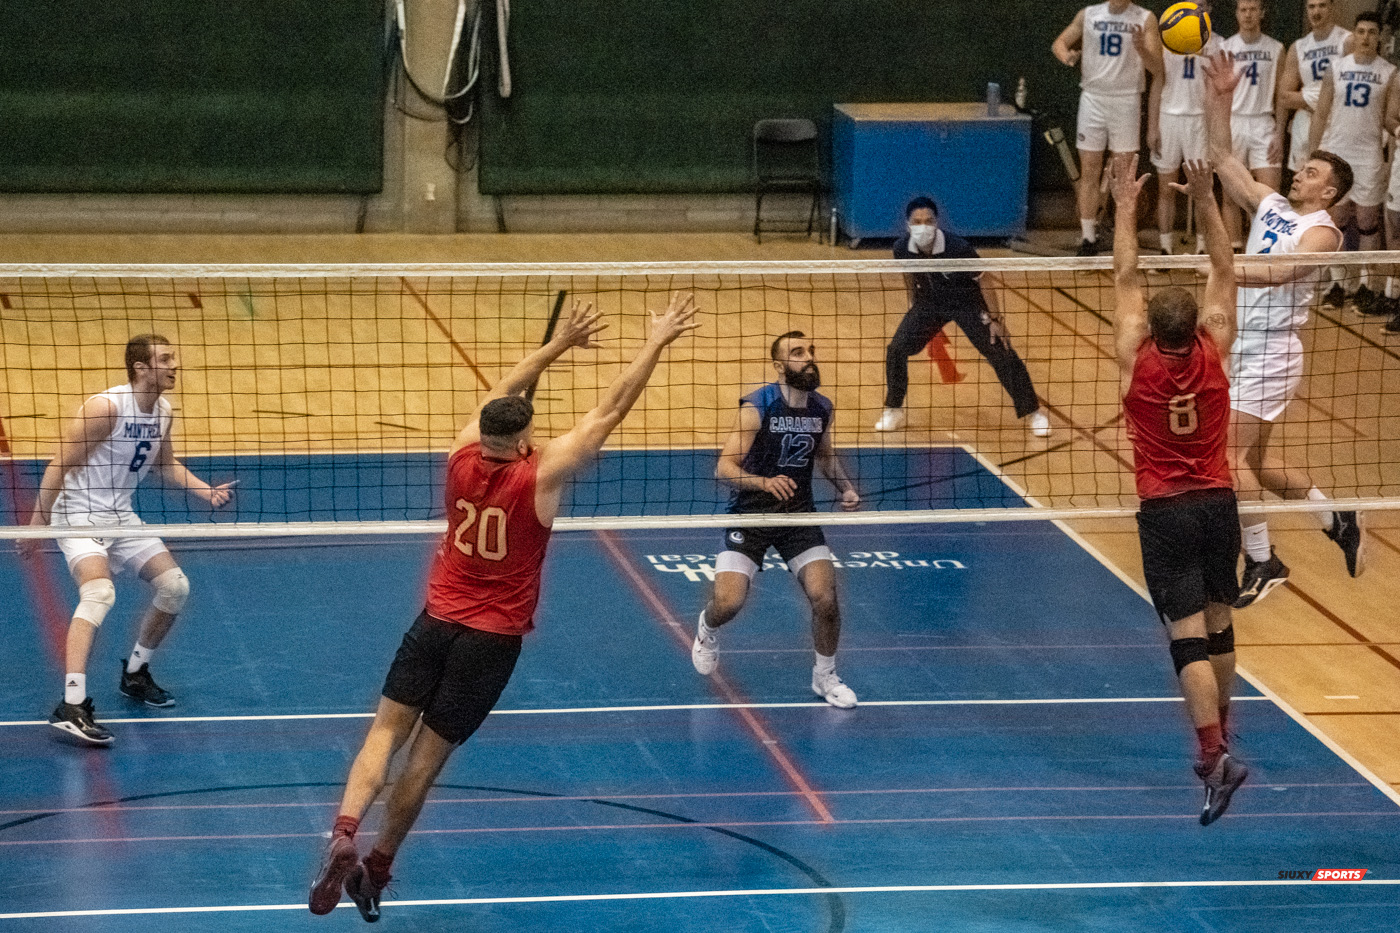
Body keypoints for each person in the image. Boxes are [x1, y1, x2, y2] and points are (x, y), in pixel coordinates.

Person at [307, 295, 699, 921]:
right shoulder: (538, 474)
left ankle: (345, 830)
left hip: (435, 622)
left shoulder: (462, 453)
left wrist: (556, 345)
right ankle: (376, 868)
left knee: (384, 732)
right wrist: (655, 340)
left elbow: (505, 387)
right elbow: (612, 408)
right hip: (490, 638)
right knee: (425, 759)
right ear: (522, 442)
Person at [1108, 152, 1247, 825]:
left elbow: (1125, 274)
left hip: (1166, 508)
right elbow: (1224, 268)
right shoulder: (1215, 348)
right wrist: (1207, 200)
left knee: (1187, 638)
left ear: (1150, 328)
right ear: (1197, 326)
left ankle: (1212, 756)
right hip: (1219, 502)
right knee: (1220, 624)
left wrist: (1124, 207)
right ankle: (1224, 739)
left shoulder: (1135, 358)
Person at [18, 335, 235, 745]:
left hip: (120, 514)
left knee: (175, 587)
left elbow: (165, 463)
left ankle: (135, 673)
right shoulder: (106, 408)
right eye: (165, 359)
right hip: (78, 512)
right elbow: (58, 465)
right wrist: (35, 526)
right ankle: (71, 706)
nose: (174, 366)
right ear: (140, 368)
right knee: (99, 593)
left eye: (173, 358)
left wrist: (205, 491)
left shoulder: (163, 411)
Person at [1202, 51, 1360, 606]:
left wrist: (1221, 265)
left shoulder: (1323, 233)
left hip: (1271, 353)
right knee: (1258, 464)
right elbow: (1221, 157)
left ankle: (1263, 559)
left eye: (1312, 173)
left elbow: (1279, 272)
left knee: (1227, 458)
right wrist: (1221, 98)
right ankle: (1336, 517)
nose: (1299, 173)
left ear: (1329, 193)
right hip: (1242, 345)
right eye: (1303, 167)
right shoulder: (1271, 205)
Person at [691, 331, 862, 709]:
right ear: (779, 366)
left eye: (810, 351)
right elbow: (724, 468)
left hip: (798, 517)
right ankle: (707, 628)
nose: (809, 357)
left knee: (826, 600)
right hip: (750, 514)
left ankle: (825, 677)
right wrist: (765, 483)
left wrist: (845, 488)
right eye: (798, 352)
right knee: (728, 603)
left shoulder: (821, 407)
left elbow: (824, 455)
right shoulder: (758, 406)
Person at [873, 197, 1051, 437]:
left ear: (937, 222)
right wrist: (912, 304)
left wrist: (995, 320)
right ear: (908, 225)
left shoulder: (958, 247)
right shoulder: (901, 247)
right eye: (917, 221)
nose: (923, 226)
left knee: (1000, 350)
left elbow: (984, 279)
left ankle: (1034, 413)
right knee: (896, 349)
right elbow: (909, 273)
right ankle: (894, 410)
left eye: (928, 221)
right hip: (929, 303)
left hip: (966, 303)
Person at [1052, 0, 1163, 255]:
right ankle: (1088, 238)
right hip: (1093, 98)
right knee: (1090, 170)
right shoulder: (1089, 14)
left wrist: (1141, 49)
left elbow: (1158, 68)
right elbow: (1059, 43)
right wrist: (1066, 55)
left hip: (1126, 100)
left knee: (1124, 174)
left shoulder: (1145, 18)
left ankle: (1124, 235)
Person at [1309, 11, 1396, 312]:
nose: (1366, 37)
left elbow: (1390, 119)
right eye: (1361, 31)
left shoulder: (1389, 72)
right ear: (1354, 34)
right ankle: (1338, 284)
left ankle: (1364, 286)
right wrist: (1313, 153)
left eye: (1372, 32)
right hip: (1337, 152)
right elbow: (1321, 113)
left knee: (1368, 223)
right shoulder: (1336, 68)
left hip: (1369, 154)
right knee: (1337, 220)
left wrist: (1389, 160)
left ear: (1379, 37)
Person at [1147, 0, 1222, 254]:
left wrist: (1214, 131)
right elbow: (1158, 81)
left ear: (1209, 9)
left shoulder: (1217, 43)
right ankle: (1165, 249)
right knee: (1166, 189)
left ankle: (1201, 249)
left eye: (1201, 5)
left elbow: (1217, 91)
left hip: (1199, 121)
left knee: (1202, 190)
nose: (1196, 9)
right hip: (1169, 118)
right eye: (1192, 4)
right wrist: (1152, 126)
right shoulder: (1168, 35)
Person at [1219, 0, 1285, 248]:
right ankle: (1235, 251)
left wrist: (1279, 133)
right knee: (1230, 196)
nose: (1248, 15)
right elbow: (1217, 94)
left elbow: (1281, 95)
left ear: (1262, 13)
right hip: (1233, 121)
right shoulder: (1225, 47)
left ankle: (1262, 250)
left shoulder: (1276, 48)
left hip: (1263, 122)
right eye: (1243, 10)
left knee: (1268, 198)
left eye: (1253, 9)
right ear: (1236, 13)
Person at [1277, 0, 1352, 184]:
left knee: (1332, 183)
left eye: (1322, 5)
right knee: (1302, 182)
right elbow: (1284, 97)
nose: (1316, 11)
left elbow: (1347, 91)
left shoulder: (1347, 40)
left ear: (1332, 7)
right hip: (1305, 121)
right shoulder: (1298, 47)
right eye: (1311, 6)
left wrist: (1307, 96)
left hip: (1335, 123)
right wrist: (1322, 97)